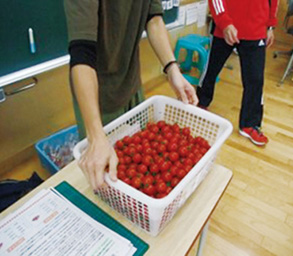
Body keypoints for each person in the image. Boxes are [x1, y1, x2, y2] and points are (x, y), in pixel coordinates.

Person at [64, 0, 198, 191]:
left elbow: (153, 18)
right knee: (104, 177)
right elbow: (81, 53)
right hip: (97, 96)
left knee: (136, 161)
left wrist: (172, 68)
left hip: (131, 80)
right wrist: (95, 135)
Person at [197, 0, 279, 146]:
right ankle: (200, 103)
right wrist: (224, 22)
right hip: (225, 29)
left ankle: (250, 124)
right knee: (211, 69)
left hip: (257, 30)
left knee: (255, 80)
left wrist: (271, 25)